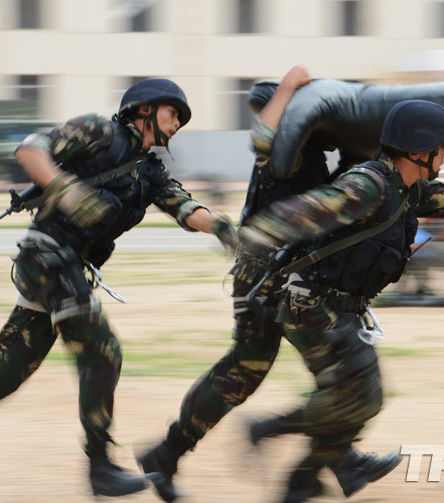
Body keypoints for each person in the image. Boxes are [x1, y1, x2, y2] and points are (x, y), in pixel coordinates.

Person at [0, 78, 237, 500]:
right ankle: (99, 467)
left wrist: (222, 226)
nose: (177, 125)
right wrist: (66, 189)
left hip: (69, 270)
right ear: (144, 108)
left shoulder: (150, 171)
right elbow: (29, 149)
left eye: (182, 121)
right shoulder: (97, 131)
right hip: (46, 258)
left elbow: (185, 207)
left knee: (6, 367)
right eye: (173, 114)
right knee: (102, 350)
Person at [237, 99, 444, 503]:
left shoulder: (409, 189)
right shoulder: (370, 184)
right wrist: (262, 231)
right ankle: (274, 436)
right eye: (442, 147)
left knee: (358, 398)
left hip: (337, 308)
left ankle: (307, 478)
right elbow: (315, 206)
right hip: (311, 306)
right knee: (362, 395)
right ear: (418, 150)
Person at [136, 65, 336, 503]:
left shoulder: (309, 154)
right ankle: (330, 460)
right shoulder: (282, 147)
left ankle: (166, 455)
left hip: (287, 279)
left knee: (308, 369)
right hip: (265, 279)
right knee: (315, 370)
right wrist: (287, 88)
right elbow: (263, 135)